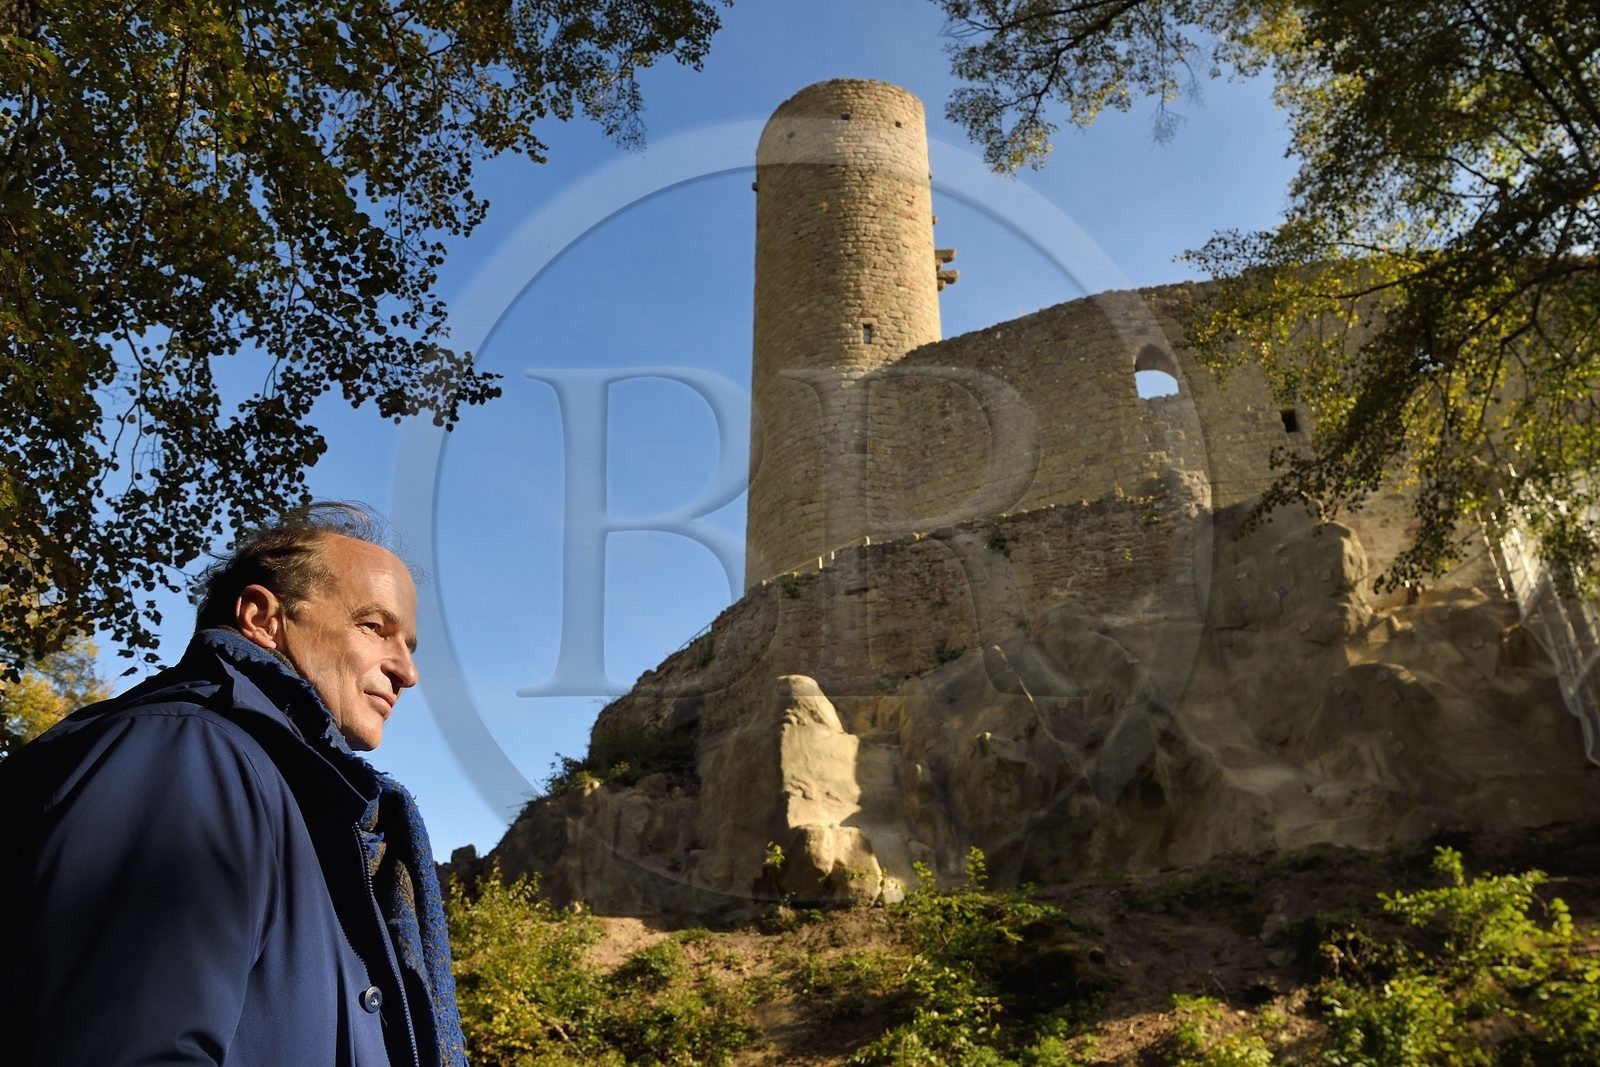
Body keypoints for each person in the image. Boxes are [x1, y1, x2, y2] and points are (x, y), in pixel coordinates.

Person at [0, 502, 467, 1066]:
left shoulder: (311, 818)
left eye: (409, 648)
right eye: (374, 627)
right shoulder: (188, 755)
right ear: (262, 619)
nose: (407, 671)